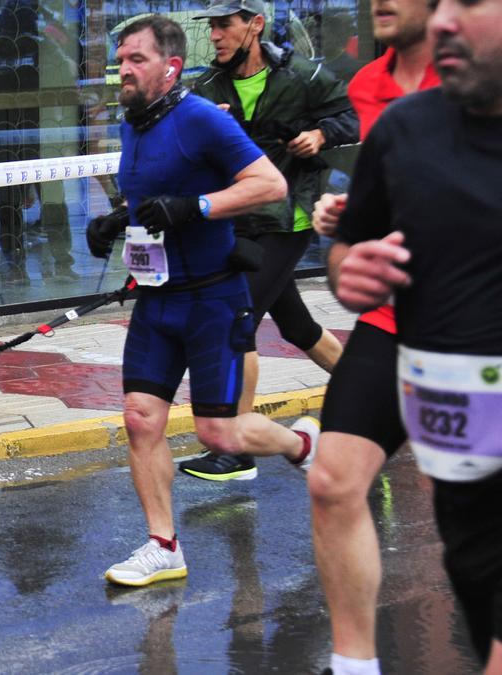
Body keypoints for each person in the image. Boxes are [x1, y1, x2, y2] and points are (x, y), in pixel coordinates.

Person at [84, 15, 320, 588]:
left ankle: (303, 443)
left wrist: (200, 208)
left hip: (214, 299)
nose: (124, 71)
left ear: (169, 67)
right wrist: (121, 218)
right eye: (120, 61)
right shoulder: (136, 123)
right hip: (158, 300)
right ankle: (163, 545)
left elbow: (270, 185)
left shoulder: (199, 118)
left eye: (136, 60)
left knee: (221, 435)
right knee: (142, 419)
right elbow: (157, 195)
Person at [331, 0, 502, 666]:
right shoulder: (404, 129)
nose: (444, 23)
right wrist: (354, 273)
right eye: (443, 6)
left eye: (469, 1)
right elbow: (349, 247)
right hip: (466, 461)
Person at [303, 0, 440, 672]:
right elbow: (380, 198)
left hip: (477, 323)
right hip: (393, 320)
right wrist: (348, 219)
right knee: (332, 479)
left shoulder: (479, 75)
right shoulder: (366, 85)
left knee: (477, 510)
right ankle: (355, 664)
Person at [180, 0, 358, 481]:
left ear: (254, 25)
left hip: (286, 217)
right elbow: (185, 146)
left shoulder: (303, 76)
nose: (214, 35)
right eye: (211, 26)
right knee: (298, 327)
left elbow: (350, 119)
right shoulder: (206, 87)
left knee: (239, 319)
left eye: (225, 25)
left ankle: (237, 449)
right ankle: (370, 401)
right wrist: (205, 127)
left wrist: (320, 135)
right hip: (238, 218)